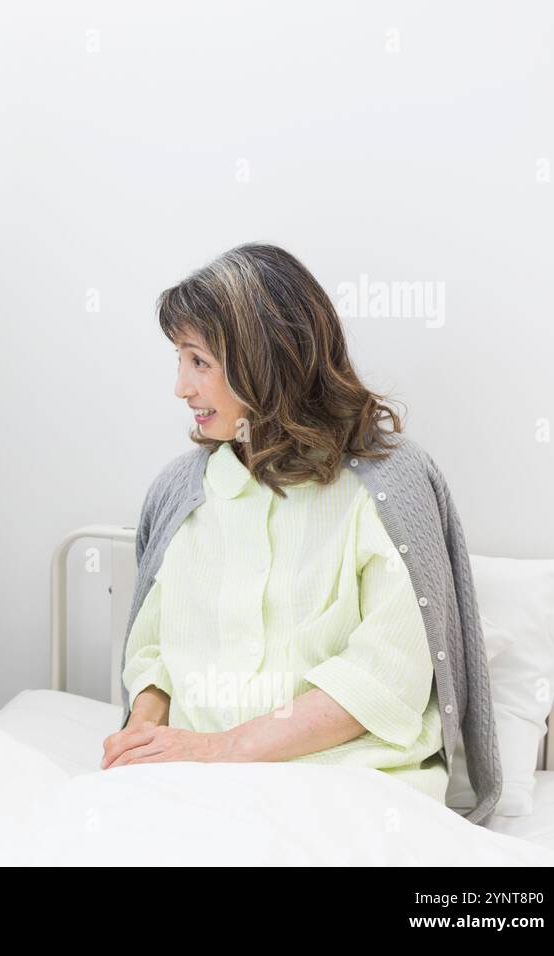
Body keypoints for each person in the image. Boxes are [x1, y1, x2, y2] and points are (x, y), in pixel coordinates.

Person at [100, 243, 502, 823]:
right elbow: (154, 654)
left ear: (265, 359)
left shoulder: (388, 486)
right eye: (179, 360)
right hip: (186, 785)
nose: (181, 388)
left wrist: (217, 751)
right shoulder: (182, 492)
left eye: (198, 361)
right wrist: (143, 741)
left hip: (351, 786)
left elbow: (387, 679)